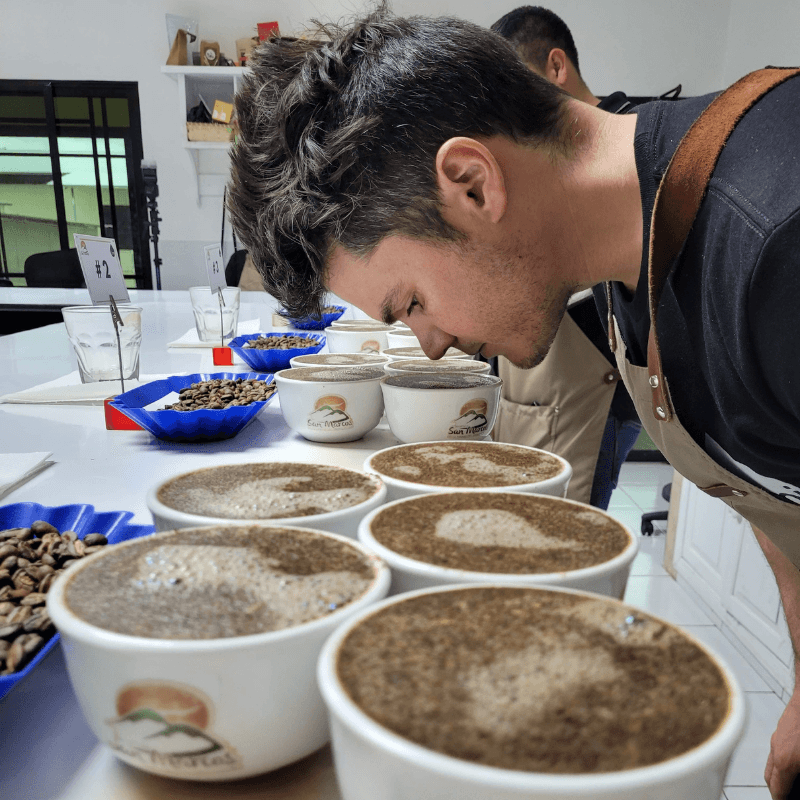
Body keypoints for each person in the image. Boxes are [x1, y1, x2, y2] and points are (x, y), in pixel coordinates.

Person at [227, 8, 800, 797]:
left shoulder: (778, 244)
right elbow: (775, 476)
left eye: (410, 302)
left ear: (471, 182)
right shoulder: (633, 249)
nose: (427, 345)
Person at [489, 6, 641, 509]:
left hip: (596, 387)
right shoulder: (541, 153)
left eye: (514, 90)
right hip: (535, 383)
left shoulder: (634, 140)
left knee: (566, 526)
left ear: (557, 67)